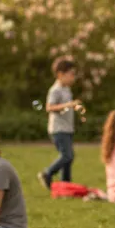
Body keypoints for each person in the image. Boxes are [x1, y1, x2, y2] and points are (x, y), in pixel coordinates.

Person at [39, 56, 78, 189]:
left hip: (67, 128)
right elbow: (49, 107)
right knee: (68, 155)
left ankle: (65, 184)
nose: (73, 77)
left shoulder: (66, 89)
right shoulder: (55, 90)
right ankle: (47, 173)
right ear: (60, 74)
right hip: (58, 129)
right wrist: (68, 105)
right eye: (71, 74)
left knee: (68, 157)